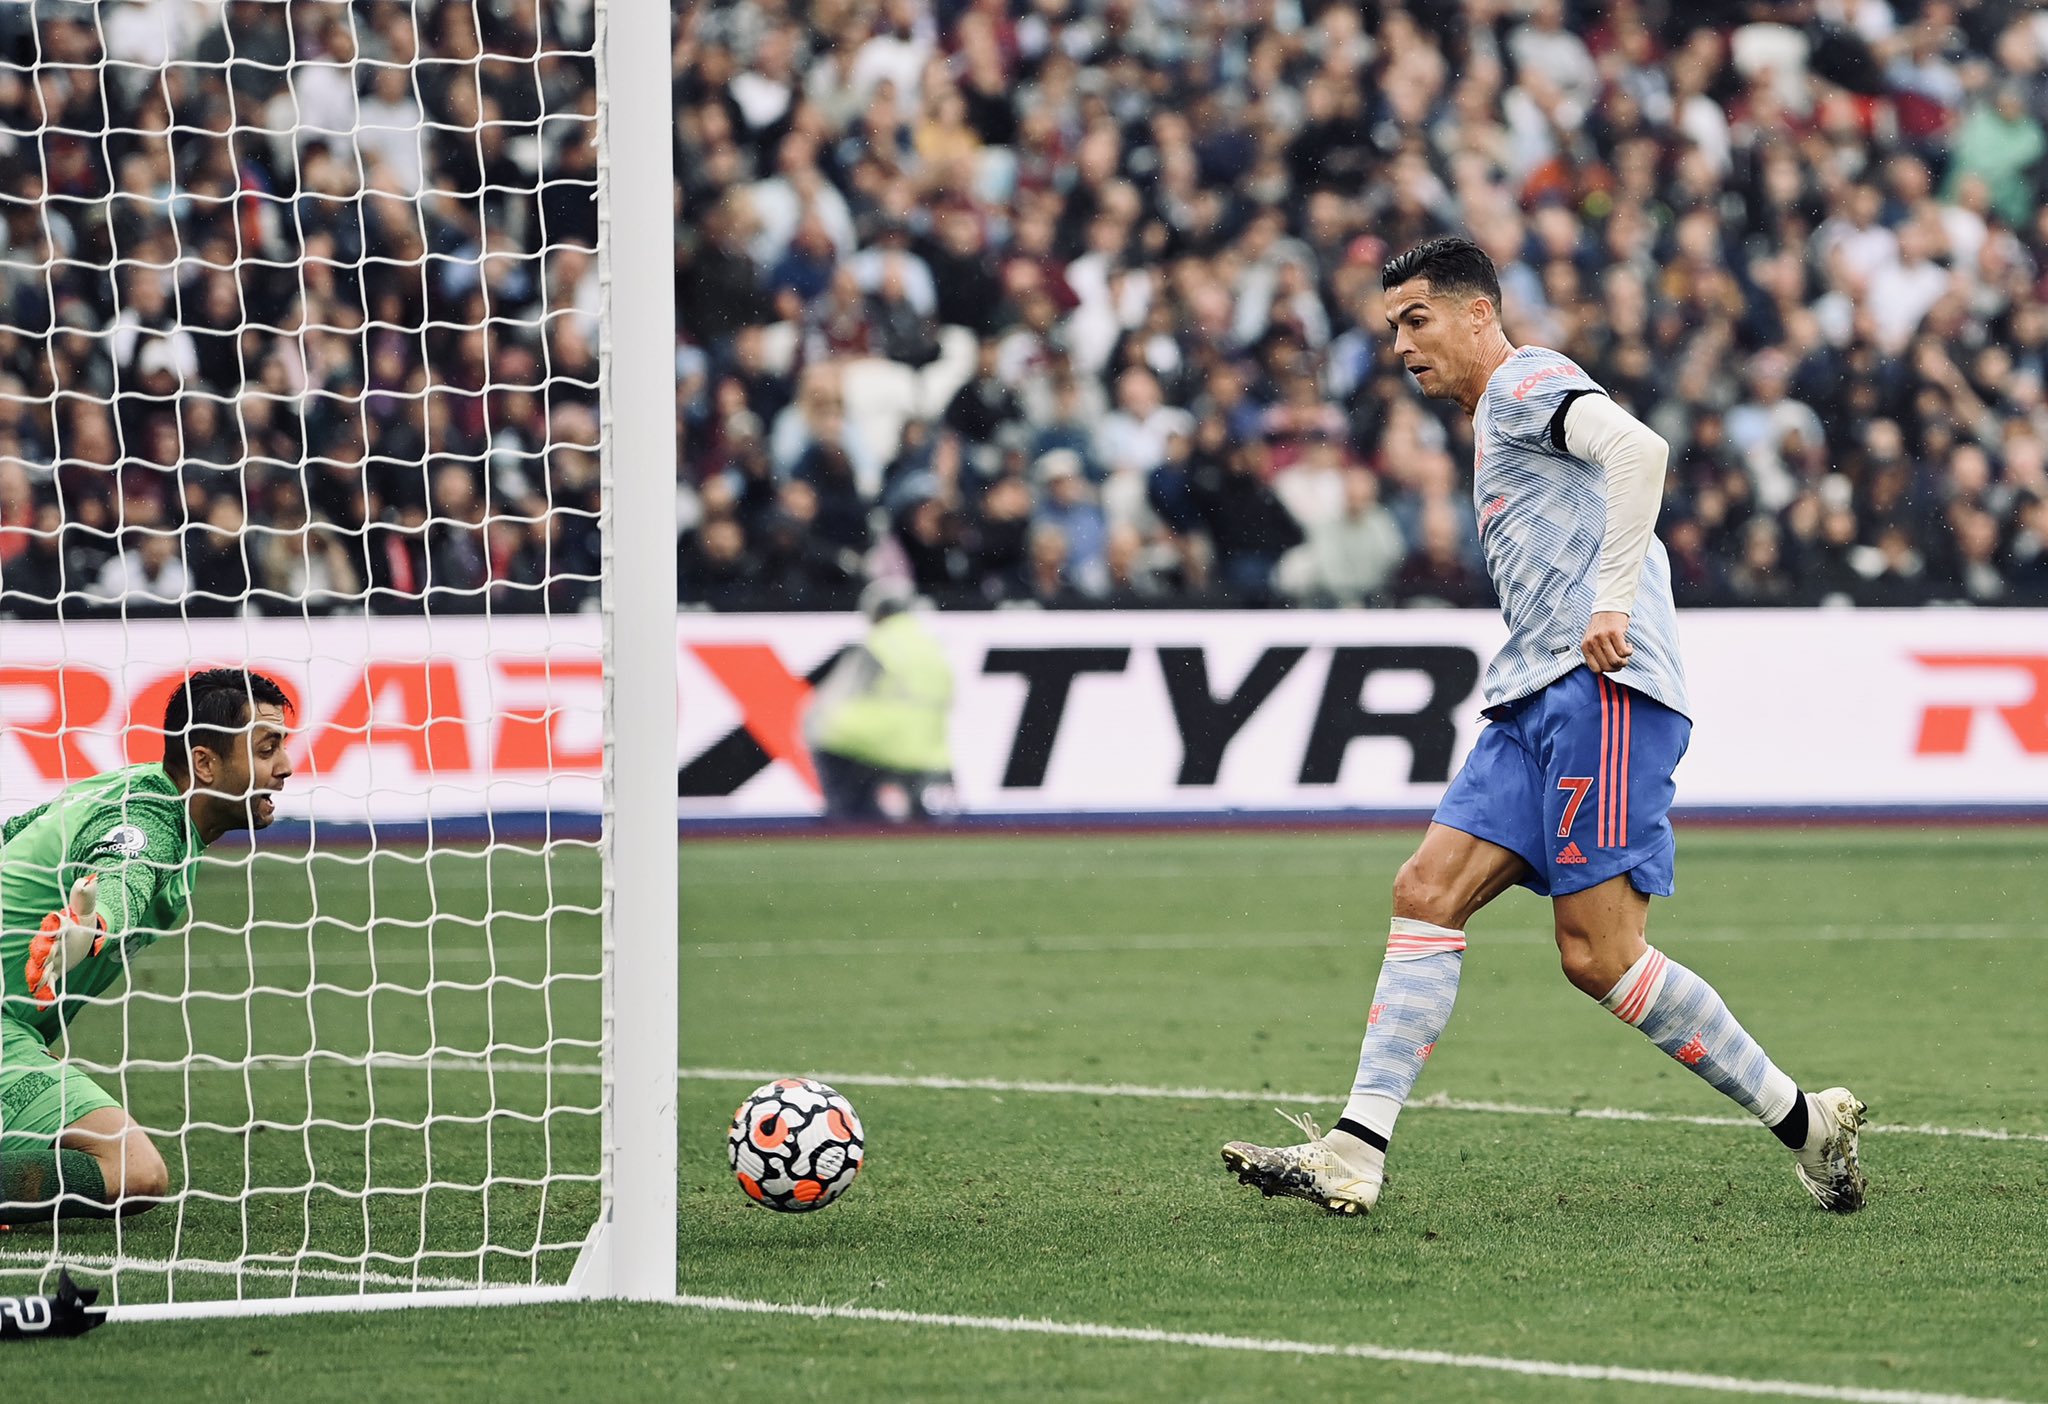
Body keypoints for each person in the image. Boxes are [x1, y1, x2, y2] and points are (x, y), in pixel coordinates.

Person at [1222, 238, 1865, 1218]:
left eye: (1416, 319)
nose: (1400, 344)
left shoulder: (1525, 379)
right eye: (1392, 326)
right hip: (1530, 694)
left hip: (1602, 688)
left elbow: (1639, 451)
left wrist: (1610, 599)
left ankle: (1803, 1123)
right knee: (1424, 890)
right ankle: (1354, 1151)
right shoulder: (1490, 420)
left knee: (1597, 956)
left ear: (1478, 313)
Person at [0, 668, 294, 1221]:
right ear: (205, 762)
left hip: (14, 1030)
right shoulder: (153, 822)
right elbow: (124, 874)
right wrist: (96, 924)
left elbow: (13, 832)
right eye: (266, 749)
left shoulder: (123, 788)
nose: (285, 767)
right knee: (135, 1171)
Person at [804, 580, 956, 822]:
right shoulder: (934, 648)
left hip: (871, 750)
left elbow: (835, 697)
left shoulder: (875, 644)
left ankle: (840, 823)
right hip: (929, 755)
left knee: (818, 730)